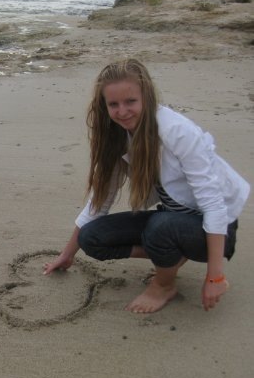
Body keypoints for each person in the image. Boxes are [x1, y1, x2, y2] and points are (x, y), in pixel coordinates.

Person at [43, 59, 250, 313]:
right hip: (172, 219)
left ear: (146, 97)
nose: (122, 111)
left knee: (160, 228)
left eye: (130, 101)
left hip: (217, 229)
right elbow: (100, 202)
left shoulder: (177, 132)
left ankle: (163, 286)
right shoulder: (117, 136)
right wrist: (67, 255)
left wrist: (215, 277)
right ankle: (171, 257)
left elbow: (214, 206)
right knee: (92, 237)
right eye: (113, 104)